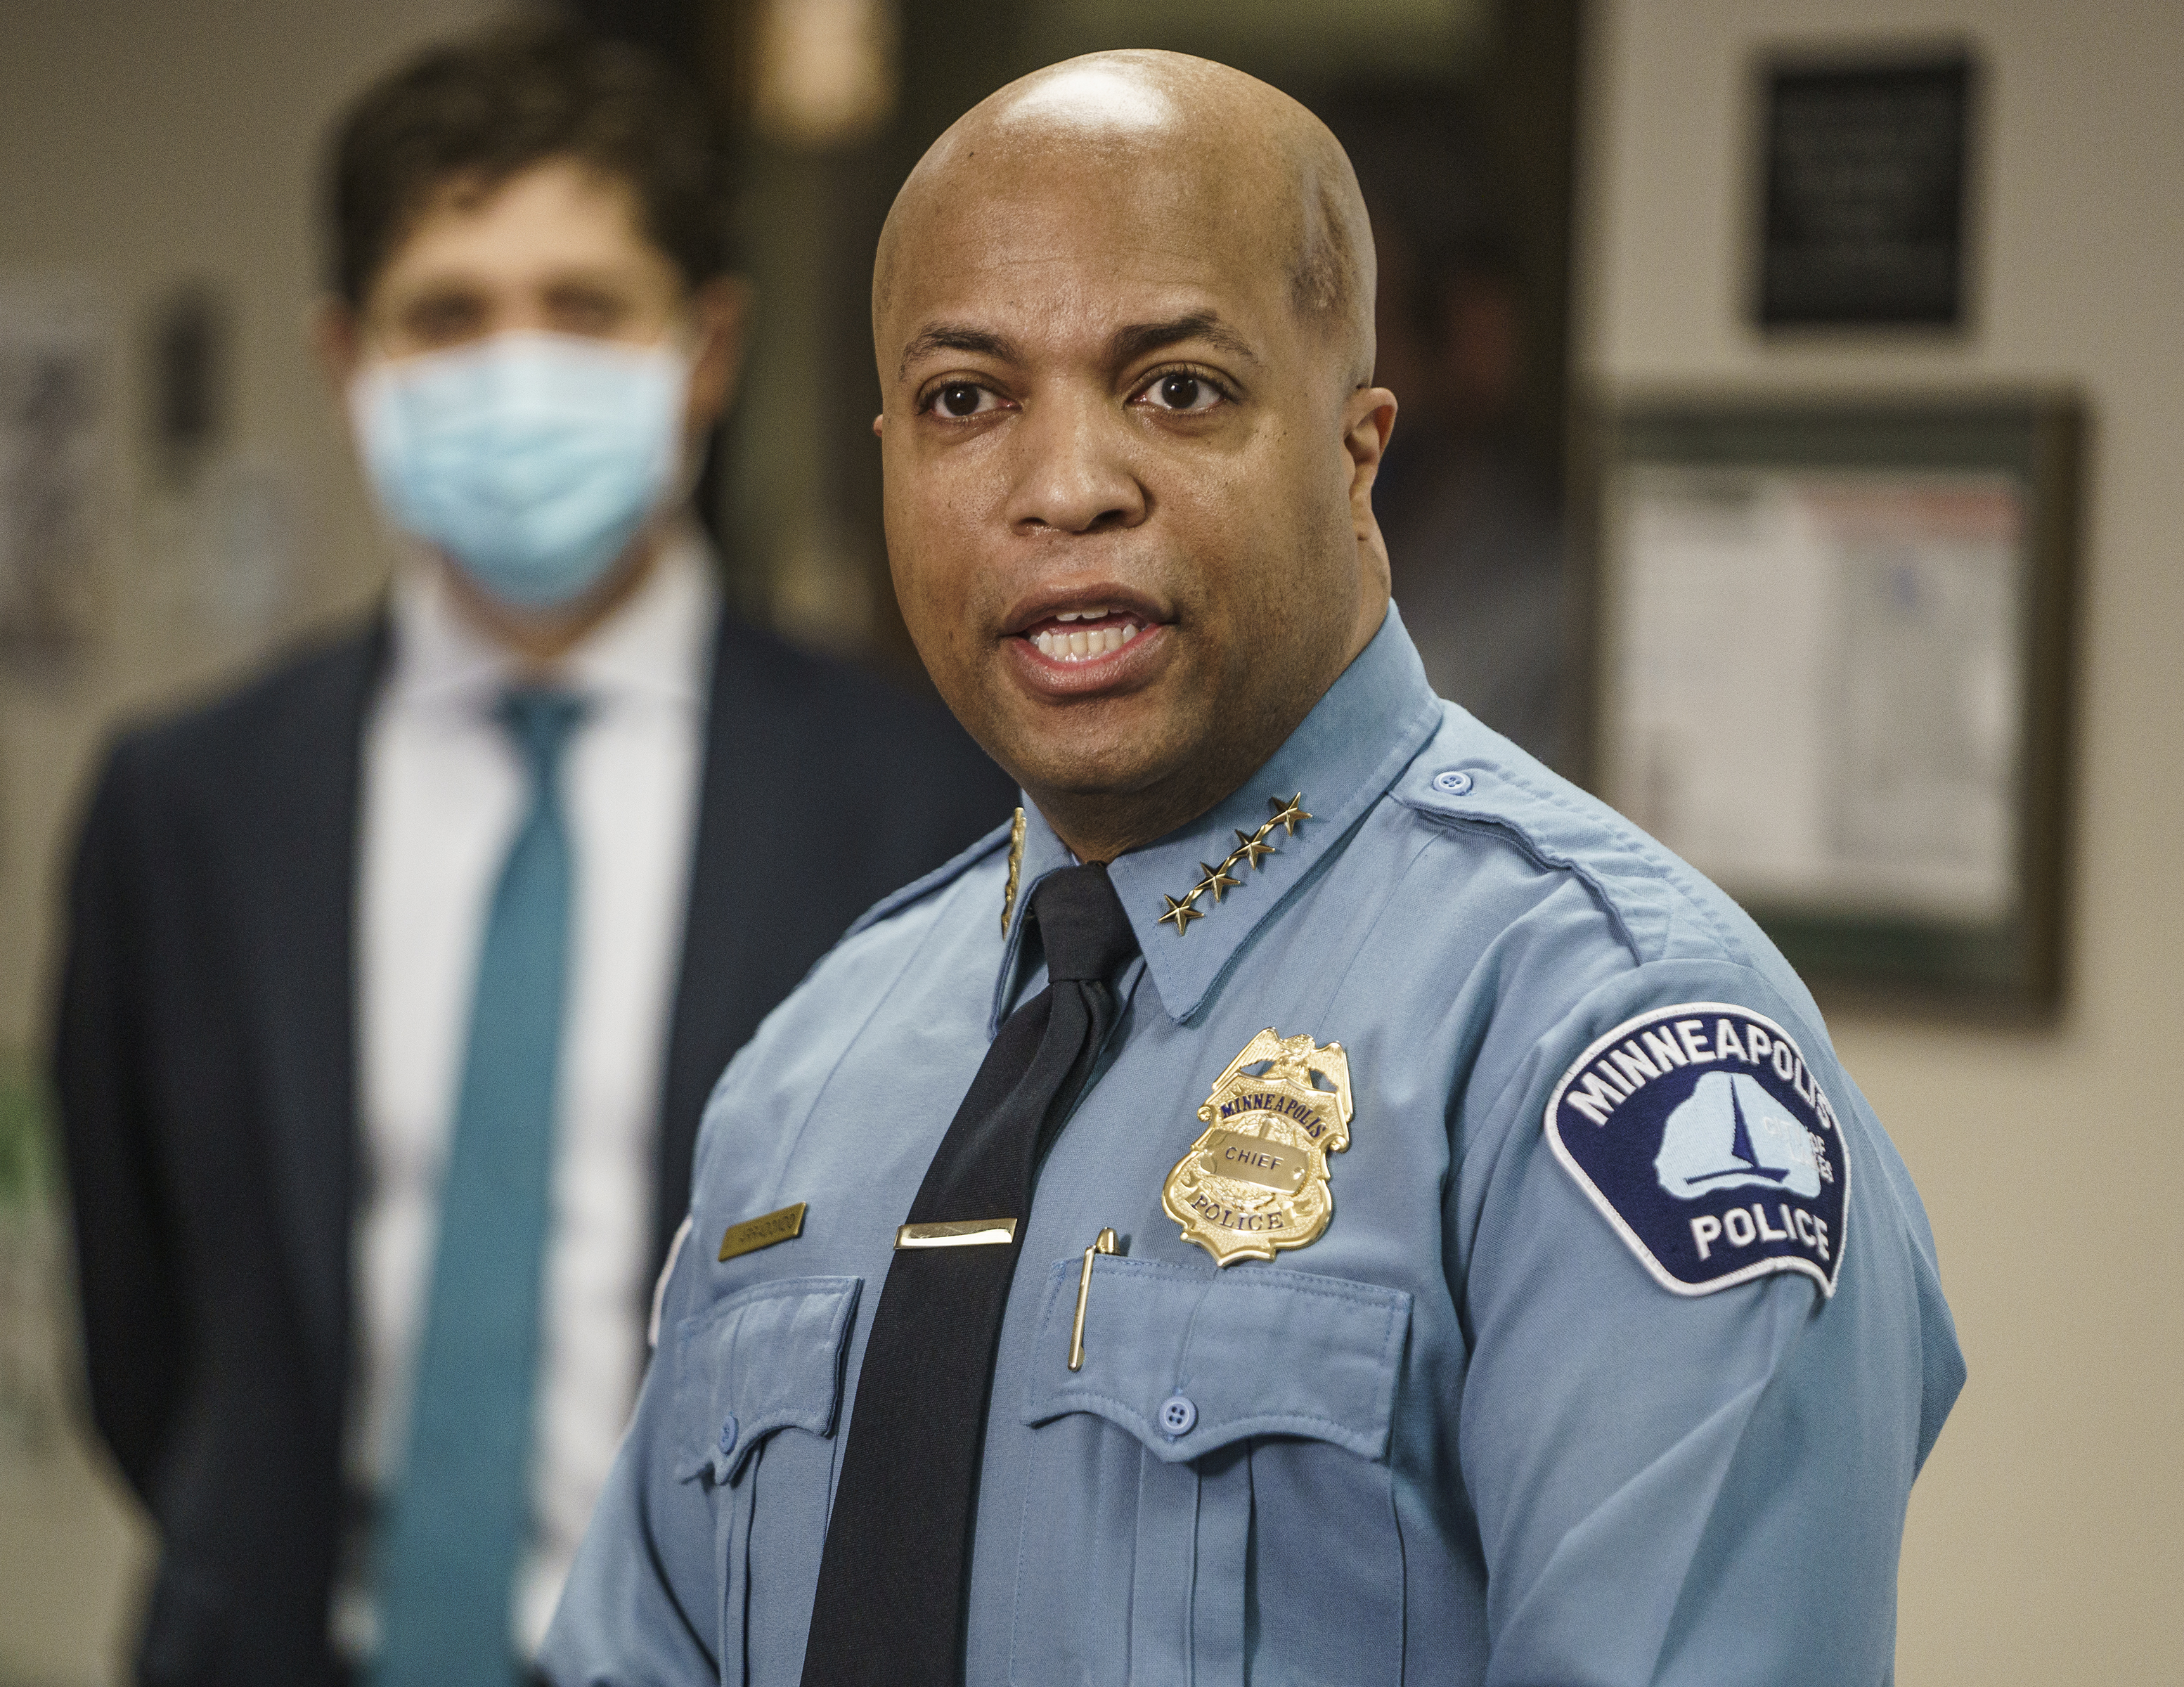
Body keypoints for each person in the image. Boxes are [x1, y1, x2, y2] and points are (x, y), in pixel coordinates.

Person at [542, 49, 1963, 1687]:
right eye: (965, 401)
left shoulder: (1606, 1042)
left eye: (1178, 389)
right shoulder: (813, 1065)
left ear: (1358, 452)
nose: (1065, 486)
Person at [52, 22, 1012, 1687]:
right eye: (448, 315)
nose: (517, 365)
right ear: (348, 359)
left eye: (582, 309)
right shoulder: (187, 807)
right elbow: (140, 1346)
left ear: (706, 350)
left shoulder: (925, 806)